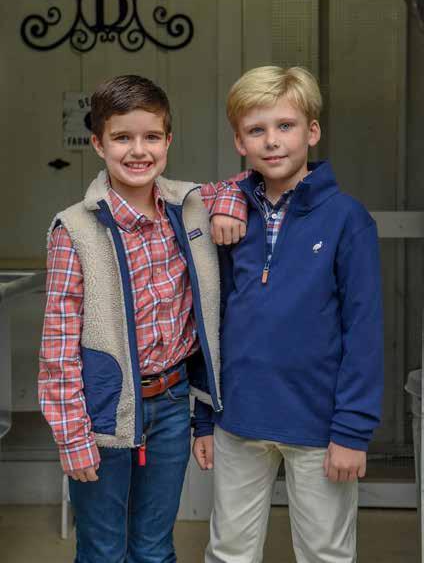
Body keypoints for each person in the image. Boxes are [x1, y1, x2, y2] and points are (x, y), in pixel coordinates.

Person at [38, 74, 247, 563]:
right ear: (98, 144)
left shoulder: (190, 207)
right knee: (103, 549)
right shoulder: (74, 229)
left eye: (151, 136)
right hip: (103, 413)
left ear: (168, 141)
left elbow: (244, 184)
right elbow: (58, 346)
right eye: (122, 138)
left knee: (154, 547)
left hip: (172, 403)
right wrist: (72, 437)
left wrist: (230, 206)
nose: (138, 150)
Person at [193, 66, 384, 563]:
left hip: (319, 424)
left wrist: (352, 431)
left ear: (312, 132)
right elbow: (210, 319)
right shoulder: (229, 218)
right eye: (256, 130)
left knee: (325, 552)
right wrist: (204, 418)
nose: (272, 141)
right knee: (229, 550)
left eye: (285, 126)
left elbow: (363, 332)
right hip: (238, 417)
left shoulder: (347, 219)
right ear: (240, 141)